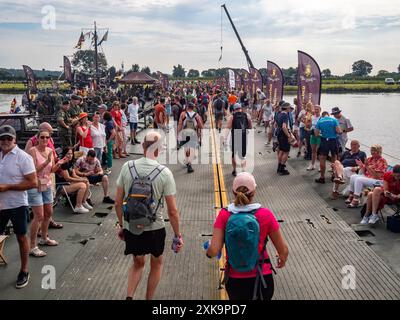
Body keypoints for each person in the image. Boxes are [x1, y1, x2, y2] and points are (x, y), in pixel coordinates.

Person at [115, 131, 183, 300]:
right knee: (157, 262)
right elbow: (172, 211)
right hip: (155, 227)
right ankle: (149, 298)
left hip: (132, 226)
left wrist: (122, 225)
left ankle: (130, 296)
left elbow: (117, 202)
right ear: (158, 150)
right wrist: (177, 234)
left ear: (143, 146)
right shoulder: (165, 173)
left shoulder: (127, 167)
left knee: (138, 263)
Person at [206, 172, 288, 300]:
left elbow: (213, 251)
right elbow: (283, 250)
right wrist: (282, 258)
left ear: (233, 192)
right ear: (254, 192)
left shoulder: (224, 215)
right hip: (262, 278)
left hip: (235, 280)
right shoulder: (265, 214)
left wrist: (208, 251)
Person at [0, 125, 37, 288]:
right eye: (2, 138)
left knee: (21, 237)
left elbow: (33, 182)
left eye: (9, 138)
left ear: (15, 139)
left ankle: (24, 270)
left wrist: (8, 187)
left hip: (17, 204)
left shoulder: (23, 157)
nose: (5, 141)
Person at [27, 130, 62, 257]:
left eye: (47, 137)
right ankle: (32, 246)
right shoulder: (32, 151)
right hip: (35, 185)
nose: (45, 139)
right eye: (42, 137)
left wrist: (59, 164)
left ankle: (44, 238)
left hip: (46, 184)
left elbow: (51, 170)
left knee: (49, 213)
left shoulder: (49, 151)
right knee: (39, 216)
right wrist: (46, 162)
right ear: (37, 138)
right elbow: (32, 171)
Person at [56, 147, 92, 214]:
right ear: (64, 154)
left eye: (71, 154)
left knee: (86, 182)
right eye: (68, 154)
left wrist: (82, 179)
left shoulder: (70, 162)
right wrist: (80, 181)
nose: (70, 155)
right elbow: (68, 178)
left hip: (69, 183)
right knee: (82, 185)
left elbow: (74, 175)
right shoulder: (63, 163)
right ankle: (78, 206)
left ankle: (83, 202)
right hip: (62, 186)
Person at [224, 103, 252, 176]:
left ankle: (234, 170)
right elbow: (250, 127)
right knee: (243, 155)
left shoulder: (232, 117)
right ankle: (243, 170)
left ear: (234, 109)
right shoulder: (247, 115)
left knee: (234, 154)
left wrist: (224, 139)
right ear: (240, 108)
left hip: (234, 137)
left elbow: (228, 128)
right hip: (243, 137)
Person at [314, 111, 342, 183]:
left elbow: (316, 134)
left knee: (322, 158)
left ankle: (322, 177)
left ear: (322, 116)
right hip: (333, 140)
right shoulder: (334, 120)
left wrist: (323, 134)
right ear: (328, 115)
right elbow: (338, 131)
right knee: (334, 158)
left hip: (324, 141)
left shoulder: (320, 121)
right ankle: (333, 176)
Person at [177, 102, 204, 173]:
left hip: (184, 133)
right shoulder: (196, 115)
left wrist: (178, 134)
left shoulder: (183, 114)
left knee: (186, 148)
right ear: (193, 108)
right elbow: (201, 126)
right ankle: (189, 164)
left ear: (187, 107)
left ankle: (187, 161)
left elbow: (180, 124)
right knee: (192, 149)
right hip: (193, 134)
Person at [276, 102, 295, 175]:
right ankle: (282, 168)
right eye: (289, 108)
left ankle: (279, 167)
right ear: (287, 108)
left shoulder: (279, 114)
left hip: (279, 133)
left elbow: (276, 124)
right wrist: (289, 136)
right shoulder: (285, 115)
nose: (290, 109)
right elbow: (284, 127)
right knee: (286, 152)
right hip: (284, 135)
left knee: (281, 151)